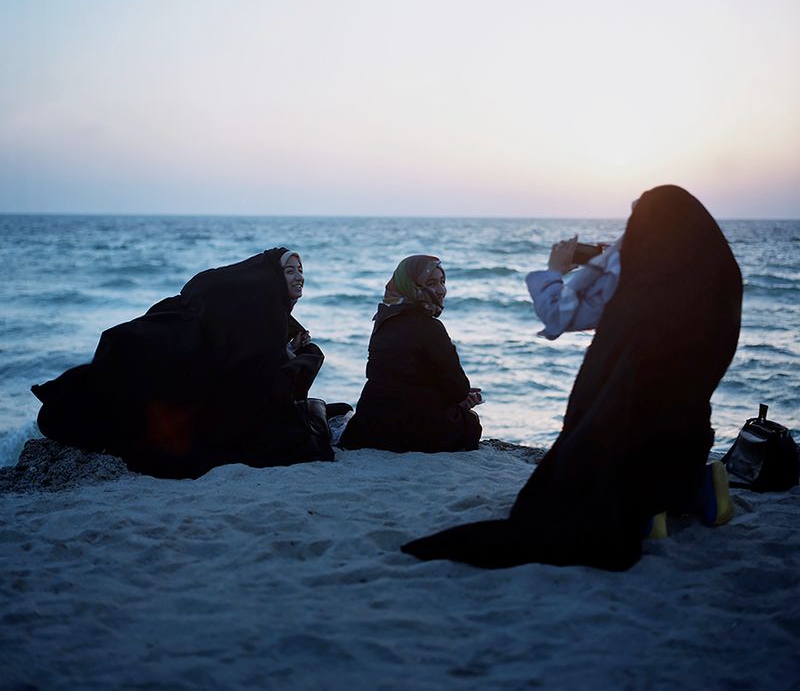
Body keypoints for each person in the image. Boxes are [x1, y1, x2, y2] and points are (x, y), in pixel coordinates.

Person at [402, 185, 742, 571]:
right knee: (671, 435)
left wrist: (558, 271)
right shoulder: (719, 277)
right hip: (689, 427)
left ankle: (648, 513)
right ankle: (700, 487)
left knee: (601, 462)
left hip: (632, 417)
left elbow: (560, 315)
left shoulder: (632, 276)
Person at [31, 248, 335, 479]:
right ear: (268, 279)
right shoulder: (254, 313)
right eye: (290, 271)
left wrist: (285, 350)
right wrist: (288, 355)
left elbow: (247, 355)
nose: (299, 277)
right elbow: (249, 368)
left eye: (301, 270)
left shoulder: (262, 312)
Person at [339, 255, 482, 453]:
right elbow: (457, 389)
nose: (441, 290)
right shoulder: (431, 328)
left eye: (442, 282)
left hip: (372, 425)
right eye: (431, 283)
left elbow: (400, 380)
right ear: (411, 284)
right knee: (471, 423)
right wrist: (462, 399)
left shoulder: (383, 319)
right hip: (413, 430)